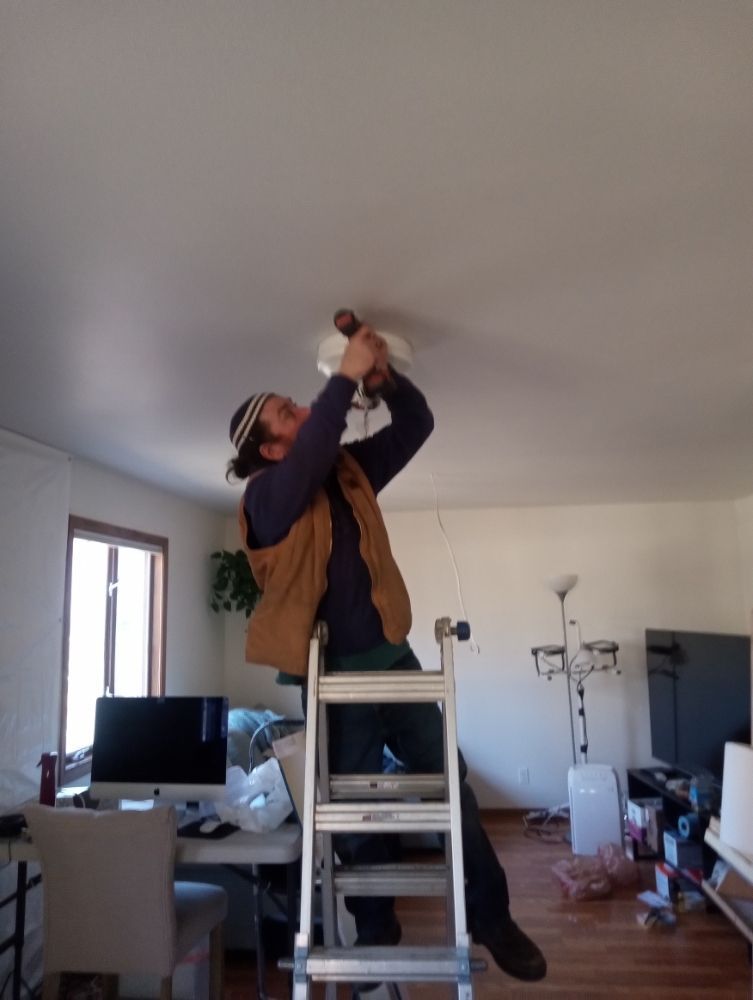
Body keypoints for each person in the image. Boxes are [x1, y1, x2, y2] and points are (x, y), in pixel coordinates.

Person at [226, 322, 546, 982]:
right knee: (357, 810)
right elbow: (309, 458)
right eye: (289, 412)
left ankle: (490, 914)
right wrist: (343, 373)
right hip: (330, 677)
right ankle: (375, 928)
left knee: (449, 786)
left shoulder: (347, 473)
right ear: (268, 446)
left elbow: (416, 425)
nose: (303, 410)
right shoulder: (264, 497)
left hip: (393, 662)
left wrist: (383, 381)